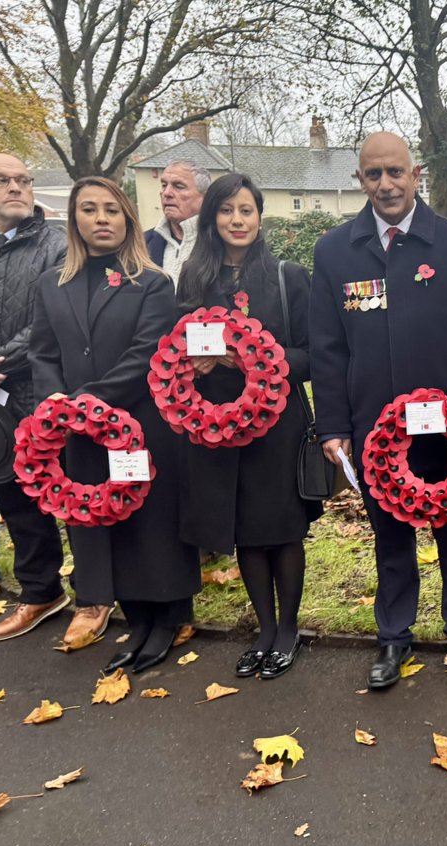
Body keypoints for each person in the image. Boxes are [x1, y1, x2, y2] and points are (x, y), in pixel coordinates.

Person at [309, 132, 447, 691]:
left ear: (415, 174)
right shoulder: (335, 251)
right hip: (373, 429)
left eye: (395, 172)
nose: (385, 184)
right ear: (360, 180)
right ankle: (394, 636)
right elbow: (327, 348)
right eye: (373, 175)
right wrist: (335, 426)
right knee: (390, 536)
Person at [28, 177, 200, 674]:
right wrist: (56, 402)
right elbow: (42, 350)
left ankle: (168, 617)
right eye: (89, 209)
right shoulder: (51, 283)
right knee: (106, 522)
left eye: (111, 210)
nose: (101, 218)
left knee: (151, 524)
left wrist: (86, 402)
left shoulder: (150, 282)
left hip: (139, 424)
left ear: (127, 220)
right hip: (77, 432)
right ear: (74, 221)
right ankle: (137, 618)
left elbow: (146, 353)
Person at [176, 174, 321, 679]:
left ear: (260, 217)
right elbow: (174, 349)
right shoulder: (195, 280)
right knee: (246, 533)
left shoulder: (287, 276)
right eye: (226, 210)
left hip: (275, 423)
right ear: (211, 218)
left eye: (246, 210)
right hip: (216, 427)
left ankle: (288, 629)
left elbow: (311, 355)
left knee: (281, 530)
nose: (237, 220)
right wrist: (192, 361)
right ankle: (263, 629)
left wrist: (248, 360)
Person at [0, 153, 78, 642]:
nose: (15, 188)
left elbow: (48, 321)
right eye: (2, 180)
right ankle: (41, 592)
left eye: (23, 180)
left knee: (75, 494)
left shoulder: (57, 245)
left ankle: (95, 593)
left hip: (40, 390)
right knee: (14, 501)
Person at [145, 161, 210, 281]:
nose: (166, 193)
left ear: (205, 197)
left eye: (179, 186)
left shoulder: (220, 242)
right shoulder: (142, 243)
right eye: (164, 185)